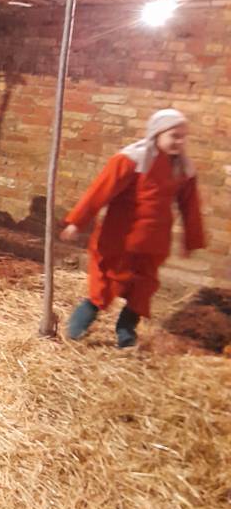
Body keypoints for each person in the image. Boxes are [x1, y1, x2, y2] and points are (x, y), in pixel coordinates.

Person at [61, 108, 205, 348]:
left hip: (154, 239)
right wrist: (77, 221)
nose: (180, 142)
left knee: (143, 287)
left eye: (183, 137)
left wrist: (191, 240)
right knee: (105, 279)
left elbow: (191, 206)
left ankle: (126, 330)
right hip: (119, 237)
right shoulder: (130, 159)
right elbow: (101, 190)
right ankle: (80, 322)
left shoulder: (183, 169)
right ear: (157, 133)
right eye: (174, 136)